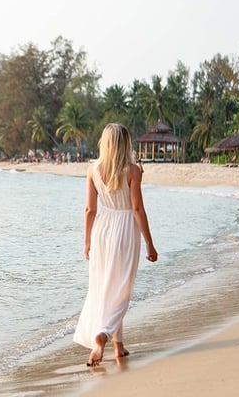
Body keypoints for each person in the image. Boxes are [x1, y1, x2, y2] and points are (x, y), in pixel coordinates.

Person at [73, 123, 158, 367]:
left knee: (105, 287)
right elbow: (137, 209)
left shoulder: (93, 169)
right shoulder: (133, 171)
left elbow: (89, 210)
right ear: (125, 144)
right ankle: (103, 335)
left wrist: (87, 241)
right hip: (125, 230)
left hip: (102, 229)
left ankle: (119, 347)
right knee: (121, 290)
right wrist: (150, 245)